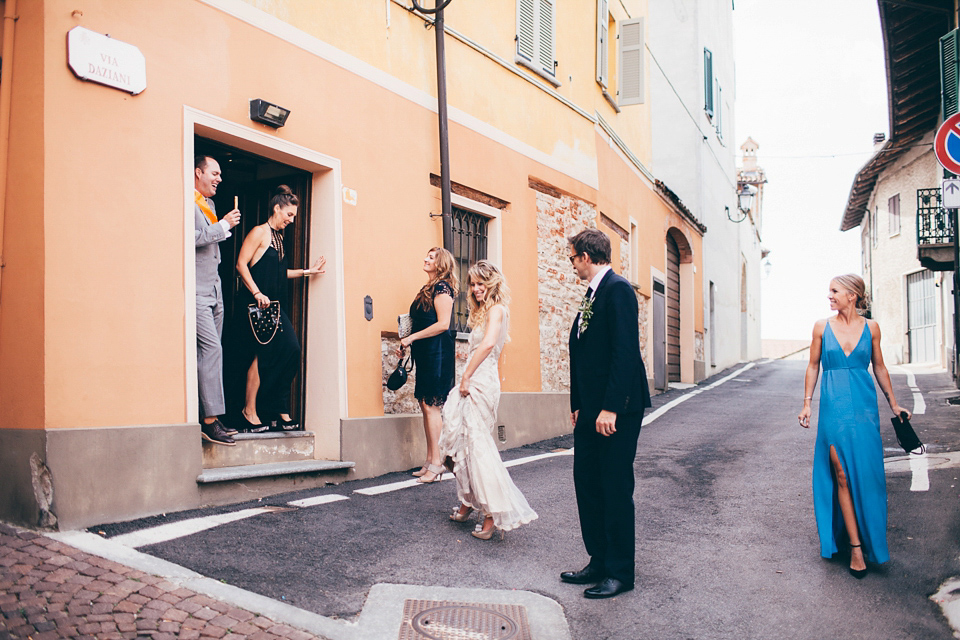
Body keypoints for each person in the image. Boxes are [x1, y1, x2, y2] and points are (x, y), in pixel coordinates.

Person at [798, 274, 909, 579]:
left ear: (852, 295)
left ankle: (868, 538)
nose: (829, 296)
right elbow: (812, 365)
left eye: (834, 291)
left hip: (864, 410)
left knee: (867, 476)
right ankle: (856, 548)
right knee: (842, 475)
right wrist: (807, 402)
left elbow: (880, 366)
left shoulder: (872, 328)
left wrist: (894, 403)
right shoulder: (821, 327)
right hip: (834, 410)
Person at [562, 228, 651, 599]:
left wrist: (611, 407)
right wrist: (578, 404)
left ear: (586, 255)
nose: (571, 265)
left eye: (572, 258)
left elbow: (625, 352)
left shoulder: (618, 290)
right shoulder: (592, 293)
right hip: (590, 411)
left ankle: (619, 572)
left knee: (614, 488)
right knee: (588, 483)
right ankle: (598, 559)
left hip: (617, 411)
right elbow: (582, 352)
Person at [439, 261, 538, 540]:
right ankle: (468, 500)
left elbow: (488, 345)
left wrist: (466, 377)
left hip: (479, 383)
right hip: (470, 380)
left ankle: (492, 514)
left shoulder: (497, 309)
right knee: (454, 443)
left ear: (493, 284)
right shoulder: (482, 312)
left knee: (476, 447)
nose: (476, 288)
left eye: (481, 283)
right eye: (472, 283)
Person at [234, 185, 325, 432]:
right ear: (277, 208)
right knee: (260, 355)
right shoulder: (259, 232)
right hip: (255, 305)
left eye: (294, 216)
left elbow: (278, 273)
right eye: (289, 215)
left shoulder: (279, 237)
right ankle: (250, 412)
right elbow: (241, 265)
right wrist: (256, 292)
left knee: (289, 351)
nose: (292, 220)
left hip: (273, 306)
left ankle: (274, 407)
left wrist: (308, 272)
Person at [396, 247, 458, 483]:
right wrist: (407, 339)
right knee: (425, 404)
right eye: (426, 256)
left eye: (431, 257)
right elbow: (423, 320)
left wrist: (411, 338)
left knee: (432, 406)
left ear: (441, 264)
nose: (425, 259)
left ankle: (437, 463)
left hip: (437, 352)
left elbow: (443, 324)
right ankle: (430, 459)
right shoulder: (428, 288)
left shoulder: (443, 288)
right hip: (424, 352)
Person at [195, 155, 241, 446]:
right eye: (215, 172)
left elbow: (211, 241)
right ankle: (209, 421)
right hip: (196, 290)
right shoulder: (183, 200)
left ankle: (211, 413)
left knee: (215, 353)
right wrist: (223, 225)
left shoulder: (209, 205)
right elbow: (190, 237)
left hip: (215, 289)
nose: (220, 178)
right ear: (198, 172)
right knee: (210, 351)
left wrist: (223, 225)